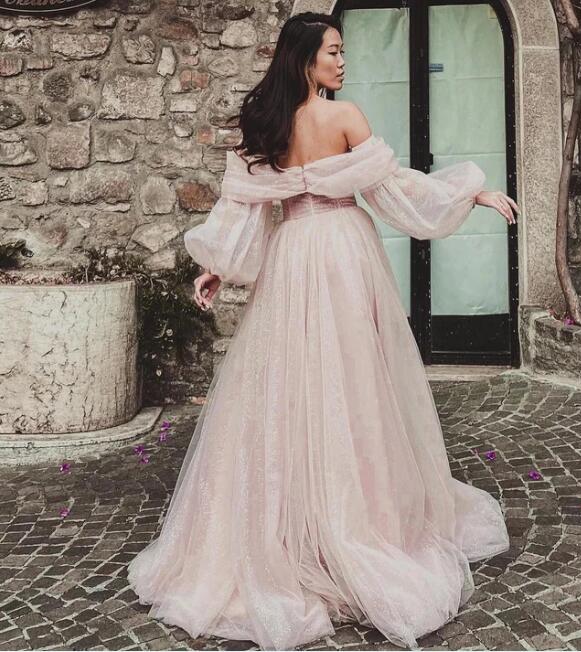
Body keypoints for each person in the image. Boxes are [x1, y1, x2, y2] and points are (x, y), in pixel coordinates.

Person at [127, 11, 517, 651]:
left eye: (342, 51)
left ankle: (299, 519)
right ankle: (353, 519)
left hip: (293, 252)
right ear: (305, 57)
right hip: (340, 251)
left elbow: (246, 207)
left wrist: (217, 267)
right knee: (353, 381)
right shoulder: (343, 117)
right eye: (333, 51)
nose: (342, 60)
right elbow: (394, 189)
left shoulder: (269, 125)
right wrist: (468, 191)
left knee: (292, 382)